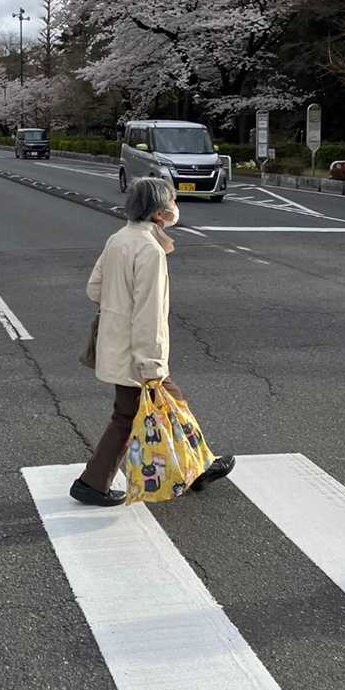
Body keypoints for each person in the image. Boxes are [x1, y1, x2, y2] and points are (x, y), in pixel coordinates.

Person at [71, 177, 234, 507]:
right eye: (172, 203)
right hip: (137, 352)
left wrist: (117, 305)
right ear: (159, 214)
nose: (175, 208)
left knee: (162, 406)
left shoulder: (119, 239)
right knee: (131, 414)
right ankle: (92, 483)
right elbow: (149, 315)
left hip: (117, 343)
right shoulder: (149, 250)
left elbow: (95, 289)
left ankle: (198, 469)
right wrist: (151, 364)